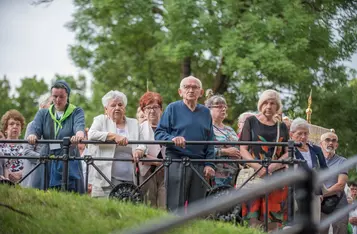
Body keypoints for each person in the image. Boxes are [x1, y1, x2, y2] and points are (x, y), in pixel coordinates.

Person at [155, 76, 215, 213]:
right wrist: (172, 139)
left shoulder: (206, 112)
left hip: (199, 165)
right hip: (176, 162)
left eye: (195, 87)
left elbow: (210, 140)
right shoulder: (172, 108)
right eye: (187, 87)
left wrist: (210, 164)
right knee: (176, 208)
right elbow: (159, 134)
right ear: (180, 92)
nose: (191, 90)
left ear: (201, 92)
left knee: (198, 209)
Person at [239, 89, 289, 231]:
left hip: (276, 177)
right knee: (253, 219)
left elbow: (287, 153)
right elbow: (243, 149)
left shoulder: (282, 126)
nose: (268, 106)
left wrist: (271, 167)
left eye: (272, 103)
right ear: (260, 105)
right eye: (265, 103)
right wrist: (259, 168)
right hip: (254, 175)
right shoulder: (251, 121)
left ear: (277, 107)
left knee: (273, 220)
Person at [27, 80, 85, 193]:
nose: (58, 100)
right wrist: (32, 135)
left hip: (68, 159)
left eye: (62, 97)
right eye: (55, 96)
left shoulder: (76, 111)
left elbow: (79, 125)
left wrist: (79, 134)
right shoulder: (43, 113)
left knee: (68, 195)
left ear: (67, 96)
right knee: (43, 196)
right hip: (47, 158)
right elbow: (35, 127)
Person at [88, 90, 145, 198]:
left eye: (120, 104)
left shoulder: (134, 123)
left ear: (125, 108)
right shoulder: (100, 120)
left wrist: (139, 150)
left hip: (130, 179)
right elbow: (91, 134)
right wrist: (114, 136)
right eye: (113, 105)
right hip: (105, 178)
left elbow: (142, 143)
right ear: (106, 109)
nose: (117, 108)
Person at [289, 117, 328, 223]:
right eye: (300, 133)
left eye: (306, 133)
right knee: (296, 222)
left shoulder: (316, 149)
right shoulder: (288, 150)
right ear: (291, 134)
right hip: (294, 191)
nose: (303, 137)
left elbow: (325, 169)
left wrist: (321, 191)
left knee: (314, 222)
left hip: (314, 190)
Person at [138, 91, 166, 208]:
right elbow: (136, 152)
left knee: (164, 204)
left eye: (155, 107)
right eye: (148, 108)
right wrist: (158, 162)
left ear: (161, 109)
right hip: (146, 172)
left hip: (166, 172)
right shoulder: (138, 129)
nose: (152, 111)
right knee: (149, 205)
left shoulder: (168, 128)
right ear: (143, 111)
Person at [205, 94, 240, 187]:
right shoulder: (206, 128)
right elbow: (202, 149)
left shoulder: (230, 129)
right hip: (214, 175)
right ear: (209, 109)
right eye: (219, 107)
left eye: (225, 107)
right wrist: (225, 152)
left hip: (233, 175)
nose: (223, 109)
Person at [22, 93, 53, 189]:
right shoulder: (33, 125)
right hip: (34, 174)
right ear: (43, 106)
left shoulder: (54, 126)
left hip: (49, 174)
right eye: (51, 103)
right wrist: (44, 158)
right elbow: (27, 152)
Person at [320, 132, 348, 234]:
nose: (330, 143)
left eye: (334, 140)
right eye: (327, 140)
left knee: (340, 230)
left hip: (339, 205)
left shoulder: (342, 161)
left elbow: (341, 185)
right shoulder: (316, 161)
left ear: (337, 144)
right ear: (321, 143)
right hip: (320, 205)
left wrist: (321, 194)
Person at [0, 110, 26, 183]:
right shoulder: (1, 146)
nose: (15, 126)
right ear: (5, 129)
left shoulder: (26, 146)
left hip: (24, 181)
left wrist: (21, 174)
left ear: (21, 129)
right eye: (11, 124)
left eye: (18, 124)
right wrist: (8, 174)